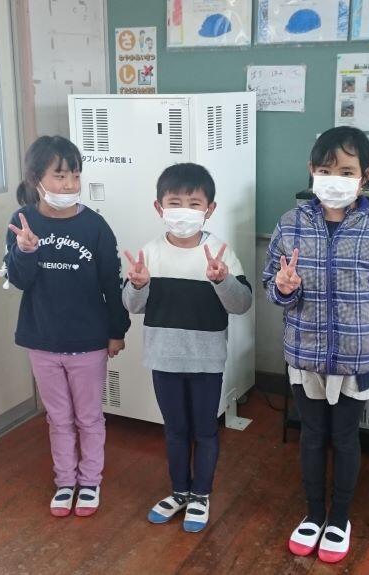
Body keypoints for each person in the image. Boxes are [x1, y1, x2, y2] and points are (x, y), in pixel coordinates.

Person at [263, 127, 369, 563]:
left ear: (366, 175)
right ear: (311, 171)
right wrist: (284, 287)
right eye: (325, 170)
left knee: (344, 438)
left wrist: (354, 313)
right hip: (304, 352)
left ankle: (339, 518)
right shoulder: (290, 223)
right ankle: (313, 514)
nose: (334, 179)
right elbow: (272, 285)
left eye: (346, 171)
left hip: (354, 355)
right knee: (311, 437)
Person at [4, 135, 131, 518]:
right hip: (42, 340)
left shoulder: (94, 225)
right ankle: (65, 482)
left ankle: (90, 481)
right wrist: (26, 250)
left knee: (89, 418)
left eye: (75, 175)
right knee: (58, 418)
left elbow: (111, 283)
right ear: (36, 178)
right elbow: (20, 281)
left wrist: (117, 331)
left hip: (88, 342)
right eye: (60, 176)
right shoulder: (22, 222)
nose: (70, 184)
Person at [122, 163, 252, 533]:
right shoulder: (150, 253)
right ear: (159, 207)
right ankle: (179, 491)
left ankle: (201, 495)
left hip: (206, 360)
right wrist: (138, 285)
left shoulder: (220, 252)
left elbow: (241, 304)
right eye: (174, 202)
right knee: (175, 429)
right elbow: (131, 305)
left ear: (209, 209)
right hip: (163, 358)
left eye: (194, 203)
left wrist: (222, 280)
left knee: (205, 431)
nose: (184, 211)